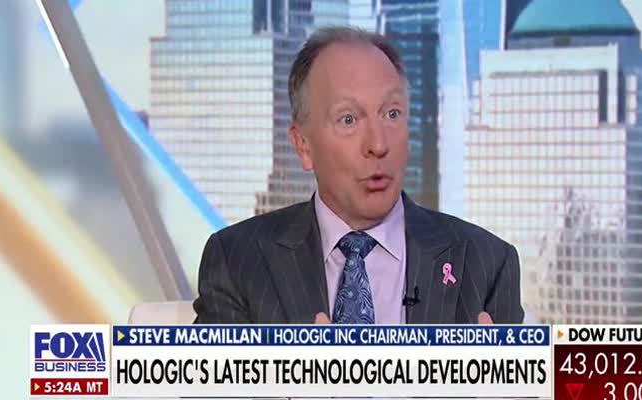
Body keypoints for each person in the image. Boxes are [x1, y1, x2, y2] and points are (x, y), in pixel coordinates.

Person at [193, 26, 524, 325]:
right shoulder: (238, 261)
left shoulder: (486, 264)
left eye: (391, 114)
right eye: (349, 119)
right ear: (303, 145)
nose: (378, 145)